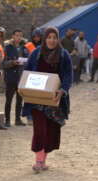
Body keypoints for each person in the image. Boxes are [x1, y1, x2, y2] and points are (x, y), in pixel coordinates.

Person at [21, 27, 73, 173]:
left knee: (51, 131)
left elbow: (68, 75)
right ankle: (38, 161)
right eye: (49, 37)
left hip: (54, 101)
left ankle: (43, 160)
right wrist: (22, 87)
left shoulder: (63, 55)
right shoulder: (36, 53)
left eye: (54, 37)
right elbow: (27, 71)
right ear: (44, 38)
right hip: (37, 100)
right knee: (39, 130)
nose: (51, 40)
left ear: (58, 39)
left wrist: (63, 90)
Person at [3, 29, 28, 127]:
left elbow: (28, 59)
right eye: (17, 35)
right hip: (10, 77)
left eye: (20, 35)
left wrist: (26, 61)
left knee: (19, 100)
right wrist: (12, 63)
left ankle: (18, 119)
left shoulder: (24, 47)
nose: (19, 37)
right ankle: (7, 120)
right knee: (9, 99)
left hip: (21, 77)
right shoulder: (7, 48)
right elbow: (3, 63)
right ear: (13, 36)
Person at [24, 28, 42, 125]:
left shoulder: (44, 46)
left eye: (38, 36)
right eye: (34, 36)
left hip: (41, 75)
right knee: (30, 97)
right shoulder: (27, 46)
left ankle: (36, 116)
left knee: (38, 98)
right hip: (30, 74)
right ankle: (29, 117)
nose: (36, 38)